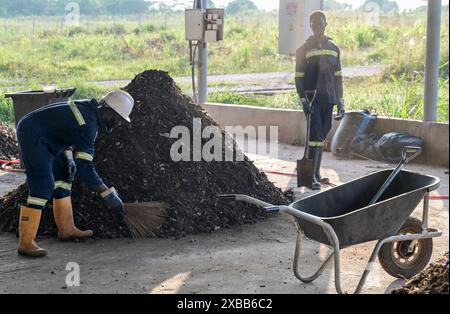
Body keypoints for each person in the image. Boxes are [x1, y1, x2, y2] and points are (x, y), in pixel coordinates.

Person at [16, 90, 135, 257]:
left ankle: (66, 229)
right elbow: (85, 167)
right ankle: (26, 242)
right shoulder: (88, 125)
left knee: (65, 176)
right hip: (33, 134)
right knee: (43, 186)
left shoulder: (90, 110)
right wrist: (107, 193)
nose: (116, 123)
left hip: (52, 137)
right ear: (109, 112)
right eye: (116, 119)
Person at [295, 10, 346, 190]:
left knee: (323, 133)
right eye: (314, 24)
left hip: (329, 99)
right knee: (315, 137)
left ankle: (316, 172)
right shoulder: (303, 50)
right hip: (312, 99)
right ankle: (311, 177)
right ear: (310, 26)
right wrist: (303, 100)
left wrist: (340, 101)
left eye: (320, 23)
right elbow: (299, 78)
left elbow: (338, 77)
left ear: (326, 24)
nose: (317, 26)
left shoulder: (334, 49)